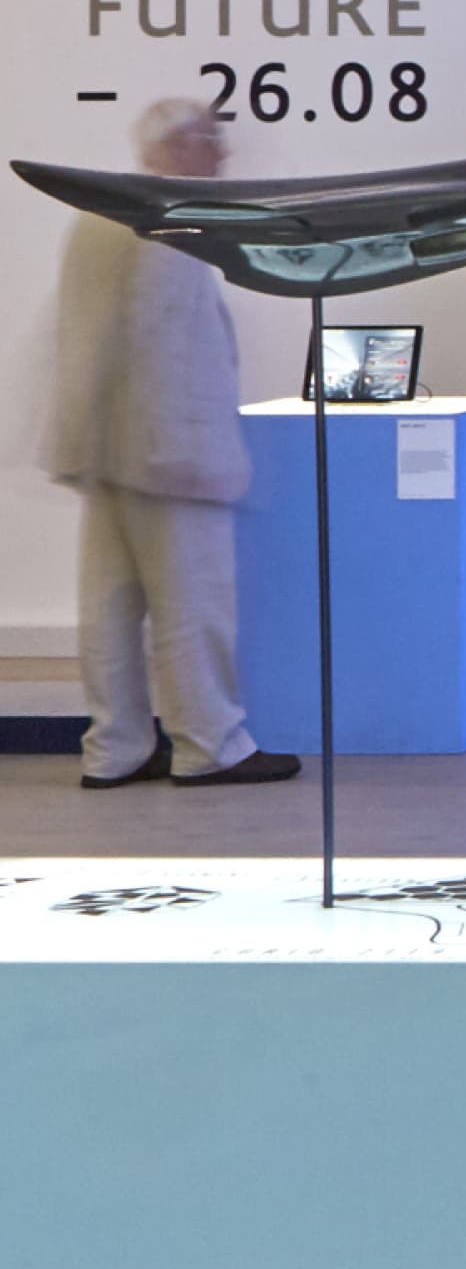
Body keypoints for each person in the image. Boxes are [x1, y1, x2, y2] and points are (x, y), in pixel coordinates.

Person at [42, 96, 300, 788]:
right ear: (180, 146)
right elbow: (158, 345)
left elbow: (81, 339)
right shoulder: (168, 222)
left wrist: (86, 443)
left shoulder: (97, 216)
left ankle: (115, 749)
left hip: (102, 453)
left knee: (111, 611)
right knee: (194, 606)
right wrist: (185, 454)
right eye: (211, 141)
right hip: (165, 453)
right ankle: (211, 745)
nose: (222, 154)